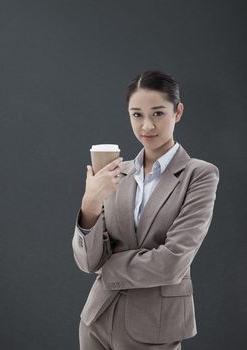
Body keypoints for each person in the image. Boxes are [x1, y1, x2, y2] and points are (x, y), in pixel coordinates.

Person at [72, 70, 220, 350]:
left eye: (158, 113)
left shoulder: (198, 175)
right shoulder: (117, 173)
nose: (147, 126)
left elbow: (173, 262)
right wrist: (90, 203)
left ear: (177, 112)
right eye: (137, 115)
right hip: (96, 321)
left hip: (155, 327)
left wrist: (110, 267)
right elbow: (88, 262)